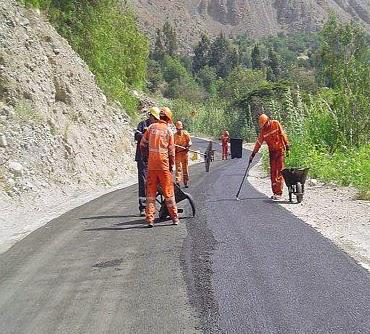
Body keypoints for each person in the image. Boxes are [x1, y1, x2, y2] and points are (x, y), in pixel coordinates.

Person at [140, 107, 179, 227]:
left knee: (150, 194)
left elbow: (142, 144)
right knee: (168, 193)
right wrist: (172, 165)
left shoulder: (150, 128)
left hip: (151, 166)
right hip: (163, 166)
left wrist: (147, 157)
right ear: (167, 119)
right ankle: (175, 218)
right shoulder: (168, 131)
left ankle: (150, 219)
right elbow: (171, 152)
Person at [249, 114, 289, 200]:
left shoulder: (276, 123)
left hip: (280, 151)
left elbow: (282, 134)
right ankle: (275, 193)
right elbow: (258, 143)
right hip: (272, 153)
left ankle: (279, 193)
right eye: (263, 125)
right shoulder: (263, 131)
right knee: (273, 172)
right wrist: (253, 154)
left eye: (265, 124)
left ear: (268, 121)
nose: (265, 126)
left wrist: (287, 145)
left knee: (279, 171)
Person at [134, 107, 160, 216]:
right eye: (154, 118)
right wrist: (146, 135)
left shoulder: (157, 127)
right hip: (142, 157)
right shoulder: (142, 124)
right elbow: (136, 135)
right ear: (150, 116)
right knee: (143, 181)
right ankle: (143, 206)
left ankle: (153, 206)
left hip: (153, 158)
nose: (155, 120)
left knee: (155, 182)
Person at [174, 121, 192, 188]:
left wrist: (188, 146)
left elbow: (190, 142)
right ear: (176, 129)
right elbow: (173, 146)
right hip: (178, 153)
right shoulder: (174, 136)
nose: (179, 130)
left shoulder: (185, 133)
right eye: (177, 129)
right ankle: (178, 181)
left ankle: (186, 182)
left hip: (184, 153)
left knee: (185, 168)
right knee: (178, 168)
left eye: (180, 129)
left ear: (182, 128)